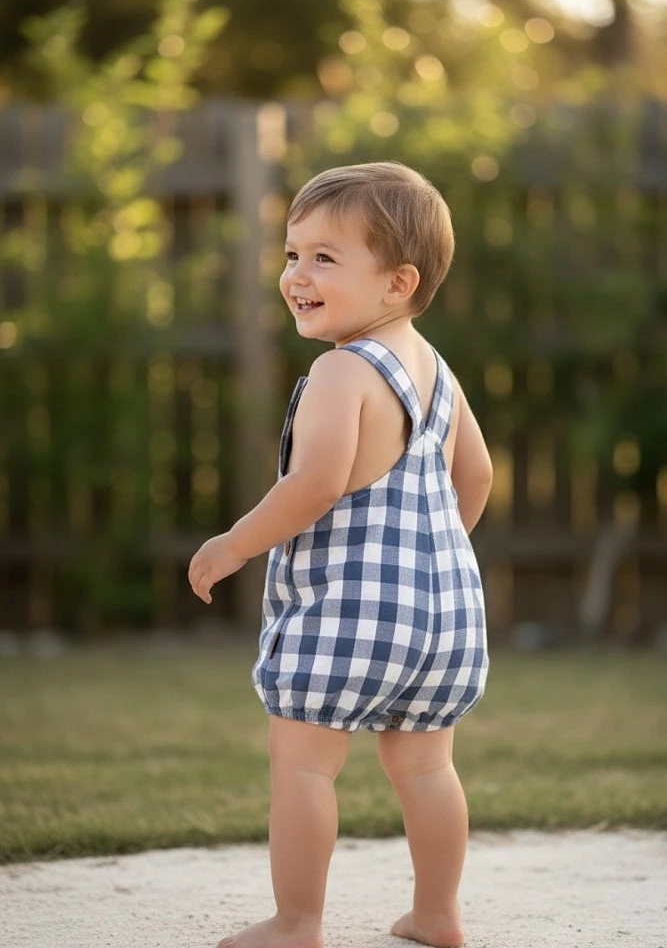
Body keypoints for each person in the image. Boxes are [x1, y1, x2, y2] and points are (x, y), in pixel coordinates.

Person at [188, 161, 492, 948]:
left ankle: (296, 923)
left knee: (304, 764)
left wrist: (231, 546)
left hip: (349, 610)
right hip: (447, 614)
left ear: (398, 283)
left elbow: (314, 485)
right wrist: (431, 552)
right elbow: (478, 477)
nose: (296, 275)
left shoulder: (342, 369)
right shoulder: (439, 374)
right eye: (292, 255)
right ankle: (437, 913)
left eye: (325, 257)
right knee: (426, 768)